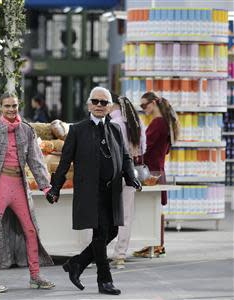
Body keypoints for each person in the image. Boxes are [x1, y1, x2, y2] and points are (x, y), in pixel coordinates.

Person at [46, 87, 141, 295]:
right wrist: (55, 188)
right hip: (91, 190)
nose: (99, 106)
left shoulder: (115, 129)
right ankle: (104, 280)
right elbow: (64, 162)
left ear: (109, 107)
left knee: (112, 231)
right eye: (95, 102)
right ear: (89, 104)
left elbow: (125, 156)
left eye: (104, 102)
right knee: (100, 233)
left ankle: (77, 264)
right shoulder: (78, 130)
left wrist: (131, 176)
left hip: (112, 190)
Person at [0, 93, 55, 293]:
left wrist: (46, 187)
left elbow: (36, 159)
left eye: (14, 106)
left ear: (19, 106)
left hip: (20, 187)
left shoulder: (27, 130)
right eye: (7, 106)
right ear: (0, 107)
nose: (11, 109)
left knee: (31, 230)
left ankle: (35, 275)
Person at [133, 92, 180, 258]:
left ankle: (156, 244)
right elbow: (165, 149)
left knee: (151, 208)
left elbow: (144, 148)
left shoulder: (157, 123)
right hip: (158, 170)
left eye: (145, 105)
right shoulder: (165, 123)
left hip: (150, 172)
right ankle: (156, 244)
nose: (143, 108)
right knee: (155, 208)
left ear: (153, 103)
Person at [109, 94, 146, 269]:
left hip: (113, 171)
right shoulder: (137, 123)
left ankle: (96, 252)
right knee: (127, 215)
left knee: (105, 212)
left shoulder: (112, 123)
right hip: (131, 171)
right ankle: (120, 255)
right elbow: (143, 148)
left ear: (113, 105)